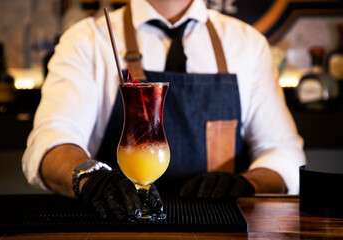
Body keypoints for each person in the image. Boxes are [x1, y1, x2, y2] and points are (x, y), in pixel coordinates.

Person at [22, 0, 306, 220]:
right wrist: (90, 178)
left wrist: (248, 183)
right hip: (116, 226)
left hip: (220, 227)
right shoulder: (87, 40)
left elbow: (284, 153)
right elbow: (52, 140)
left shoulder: (248, 44)